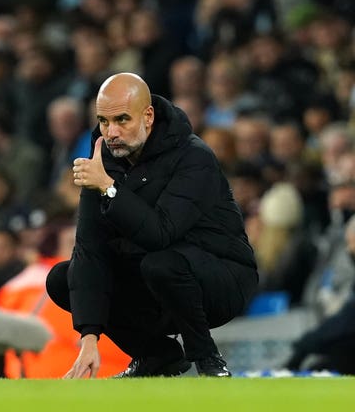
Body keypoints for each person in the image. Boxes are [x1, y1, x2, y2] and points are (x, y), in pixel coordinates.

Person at [46, 72, 258, 378]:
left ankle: (209, 360)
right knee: (63, 276)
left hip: (221, 279)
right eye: (104, 122)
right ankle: (156, 355)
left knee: (161, 263)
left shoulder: (193, 156)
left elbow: (160, 232)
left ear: (148, 116)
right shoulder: (102, 163)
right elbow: (90, 252)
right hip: (155, 280)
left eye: (121, 120)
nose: (111, 132)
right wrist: (89, 338)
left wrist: (109, 187)